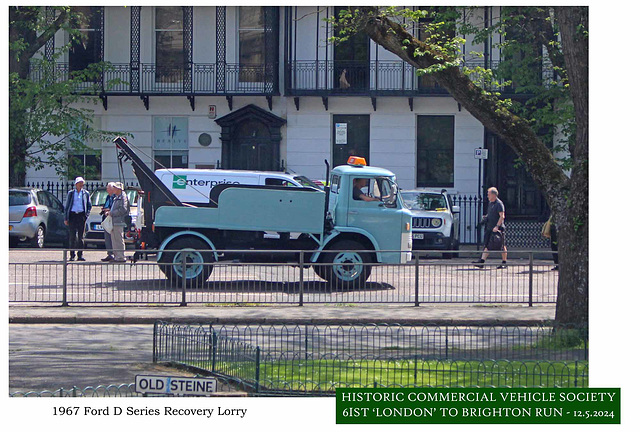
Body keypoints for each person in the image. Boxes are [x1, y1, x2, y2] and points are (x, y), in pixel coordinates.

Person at [473, 187, 507, 269]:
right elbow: (490, 214)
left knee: (502, 246)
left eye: (489, 194)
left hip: (497, 229)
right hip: (489, 227)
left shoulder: (499, 204)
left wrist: (497, 226)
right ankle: (482, 261)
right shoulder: (490, 203)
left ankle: (504, 262)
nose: (487, 196)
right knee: (487, 245)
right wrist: (485, 218)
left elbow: (502, 216)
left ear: (493, 195)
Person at [64, 176, 92, 261]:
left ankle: (80, 255)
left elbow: (89, 205)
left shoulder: (86, 193)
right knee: (72, 236)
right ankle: (72, 255)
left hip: (81, 215)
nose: (81, 185)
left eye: (82, 184)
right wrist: (66, 218)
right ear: (76, 184)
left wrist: (86, 215)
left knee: (81, 237)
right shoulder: (71, 193)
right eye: (79, 183)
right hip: (73, 215)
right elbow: (67, 205)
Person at [104, 182, 130, 263]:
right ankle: (116, 256)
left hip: (119, 221)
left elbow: (123, 209)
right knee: (114, 239)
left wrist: (111, 213)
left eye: (115, 187)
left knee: (118, 239)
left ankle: (121, 256)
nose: (113, 189)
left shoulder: (123, 197)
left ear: (119, 189)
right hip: (114, 221)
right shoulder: (117, 197)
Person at [100, 182, 116, 262]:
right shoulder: (107, 197)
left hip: (112, 219)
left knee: (112, 237)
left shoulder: (115, 197)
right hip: (106, 218)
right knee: (107, 238)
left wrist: (108, 210)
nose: (107, 189)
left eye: (108, 188)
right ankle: (109, 254)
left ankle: (114, 254)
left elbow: (114, 208)